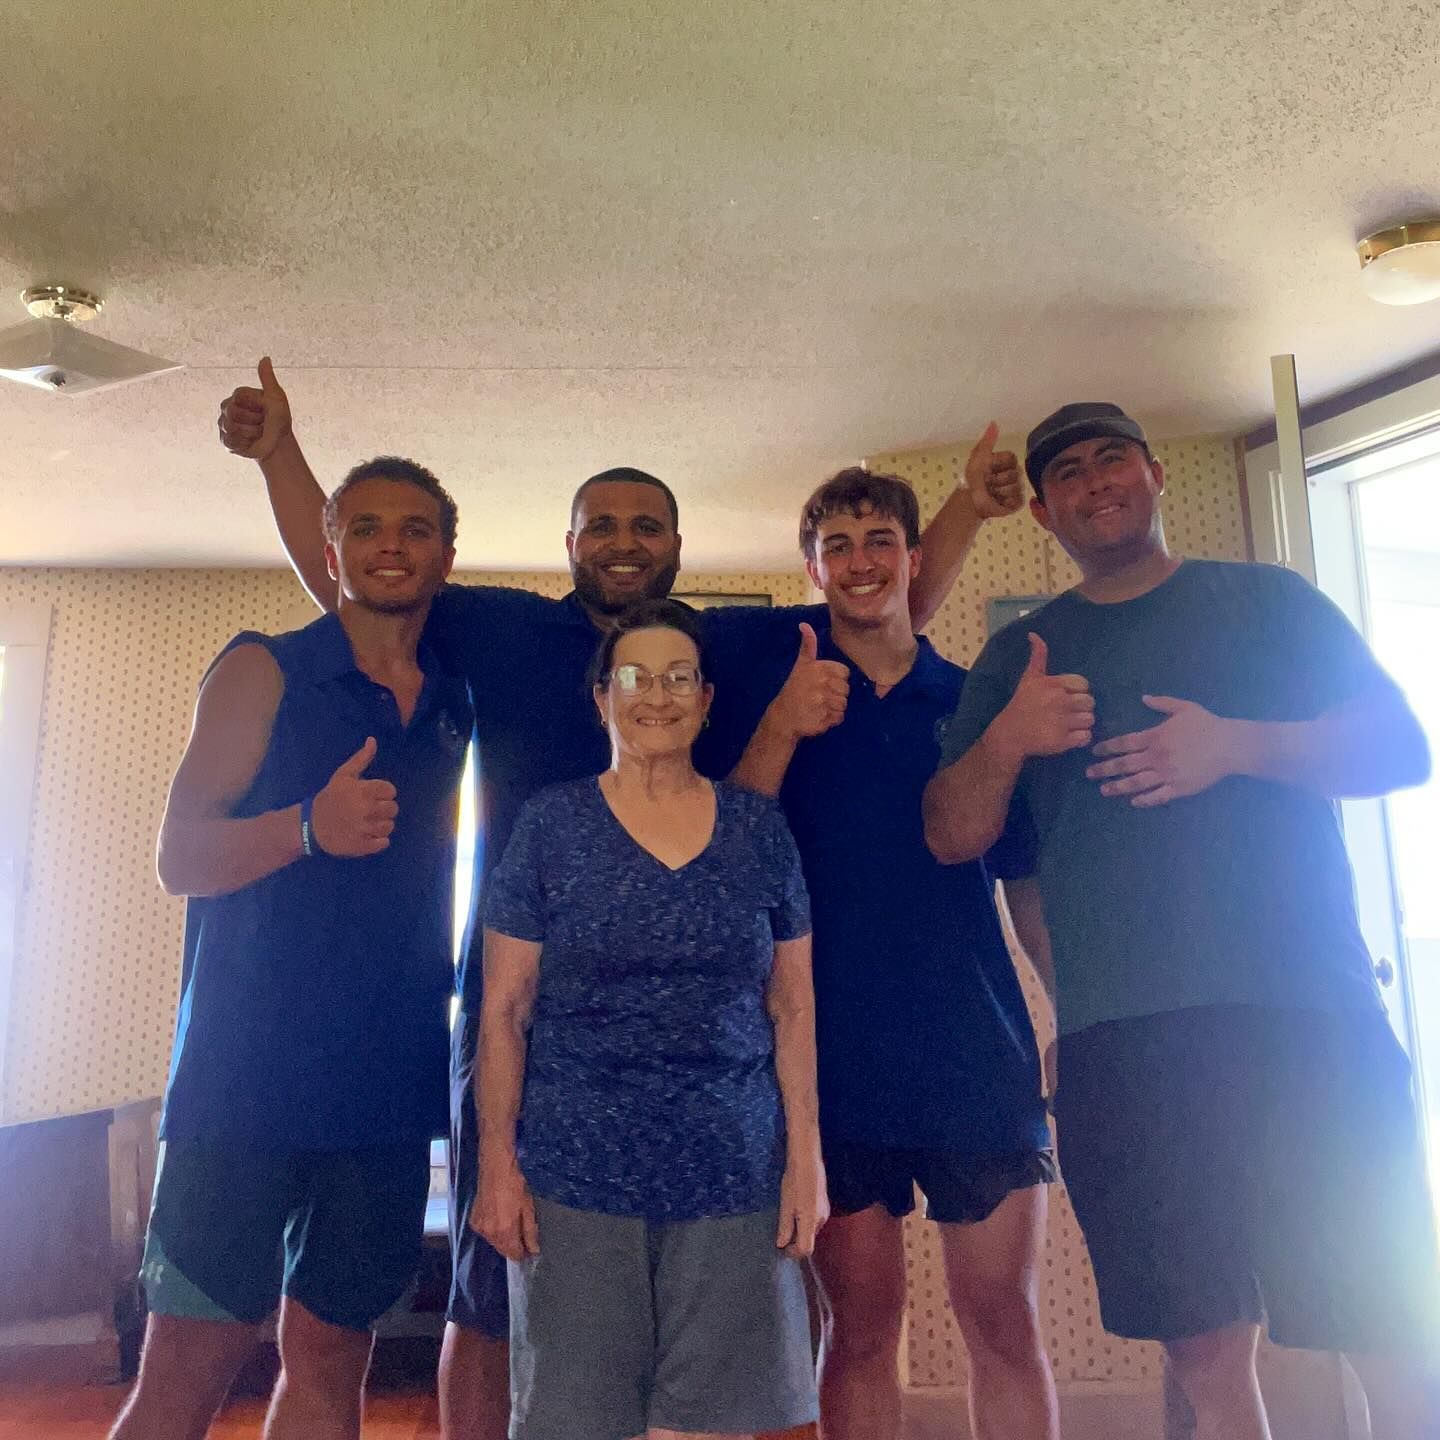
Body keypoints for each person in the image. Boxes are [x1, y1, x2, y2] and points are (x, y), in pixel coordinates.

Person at [216, 360, 1022, 1439]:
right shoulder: (500, 632)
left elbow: (886, 604)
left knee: (691, 1321)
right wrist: (280, 456)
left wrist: (965, 506)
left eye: (648, 524)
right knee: (493, 1289)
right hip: (524, 1008)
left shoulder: (726, 641)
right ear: (571, 544)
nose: (626, 541)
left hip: (704, 1035)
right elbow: (360, 583)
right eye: (603, 524)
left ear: (678, 549)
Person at [923, 401, 1440, 1440]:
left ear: (1157, 474)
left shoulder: (1269, 603)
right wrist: (1010, 740)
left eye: (1114, 456)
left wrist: (1235, 746)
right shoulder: (1021, 654)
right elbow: (950, 833)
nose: (1095, 480)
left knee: (1383, 1317)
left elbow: (1400, 750)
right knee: (1202, 1341)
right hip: (1125, 1039)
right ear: (1042, 509)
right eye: (1067, 472)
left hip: (1308, 1017)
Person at [110, 458, 471, 1440]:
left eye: (412, 528)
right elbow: (179, 858)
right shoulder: (261, 665)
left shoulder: (453, 695)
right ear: (331, 547)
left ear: (447, 551)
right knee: (186, 1368)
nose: (389, 545)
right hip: (246, 1079)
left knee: (332, 1361)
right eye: (364, 528)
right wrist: (307, 825)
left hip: (387, 1084)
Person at [699, 468, 1057, 1440]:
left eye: (879, 541)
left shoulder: (974, 698)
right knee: (859, 1329)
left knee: (1003, 1320)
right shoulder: (778, 691)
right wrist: (783, 725)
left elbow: (1021, 878)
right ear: (812, 567)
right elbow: (728, 855)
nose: (861, 561)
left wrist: (1063, 1013)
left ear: (912, 557)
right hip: (829, 1062)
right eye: (839, 545)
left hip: (975, 1053)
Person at [471, 599, 824, 1440]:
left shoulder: (758, 829)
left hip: (733, 1174)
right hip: (574, 1175)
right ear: (601, 698)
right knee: (581, 1424)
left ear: (706, 700)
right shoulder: (549, 826)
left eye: (677, 678)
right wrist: (494, 1162)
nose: (655, 695)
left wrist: (804, 1160)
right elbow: (504, 1009)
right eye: (633, 677)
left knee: (707, 1426)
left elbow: (792, 1004)